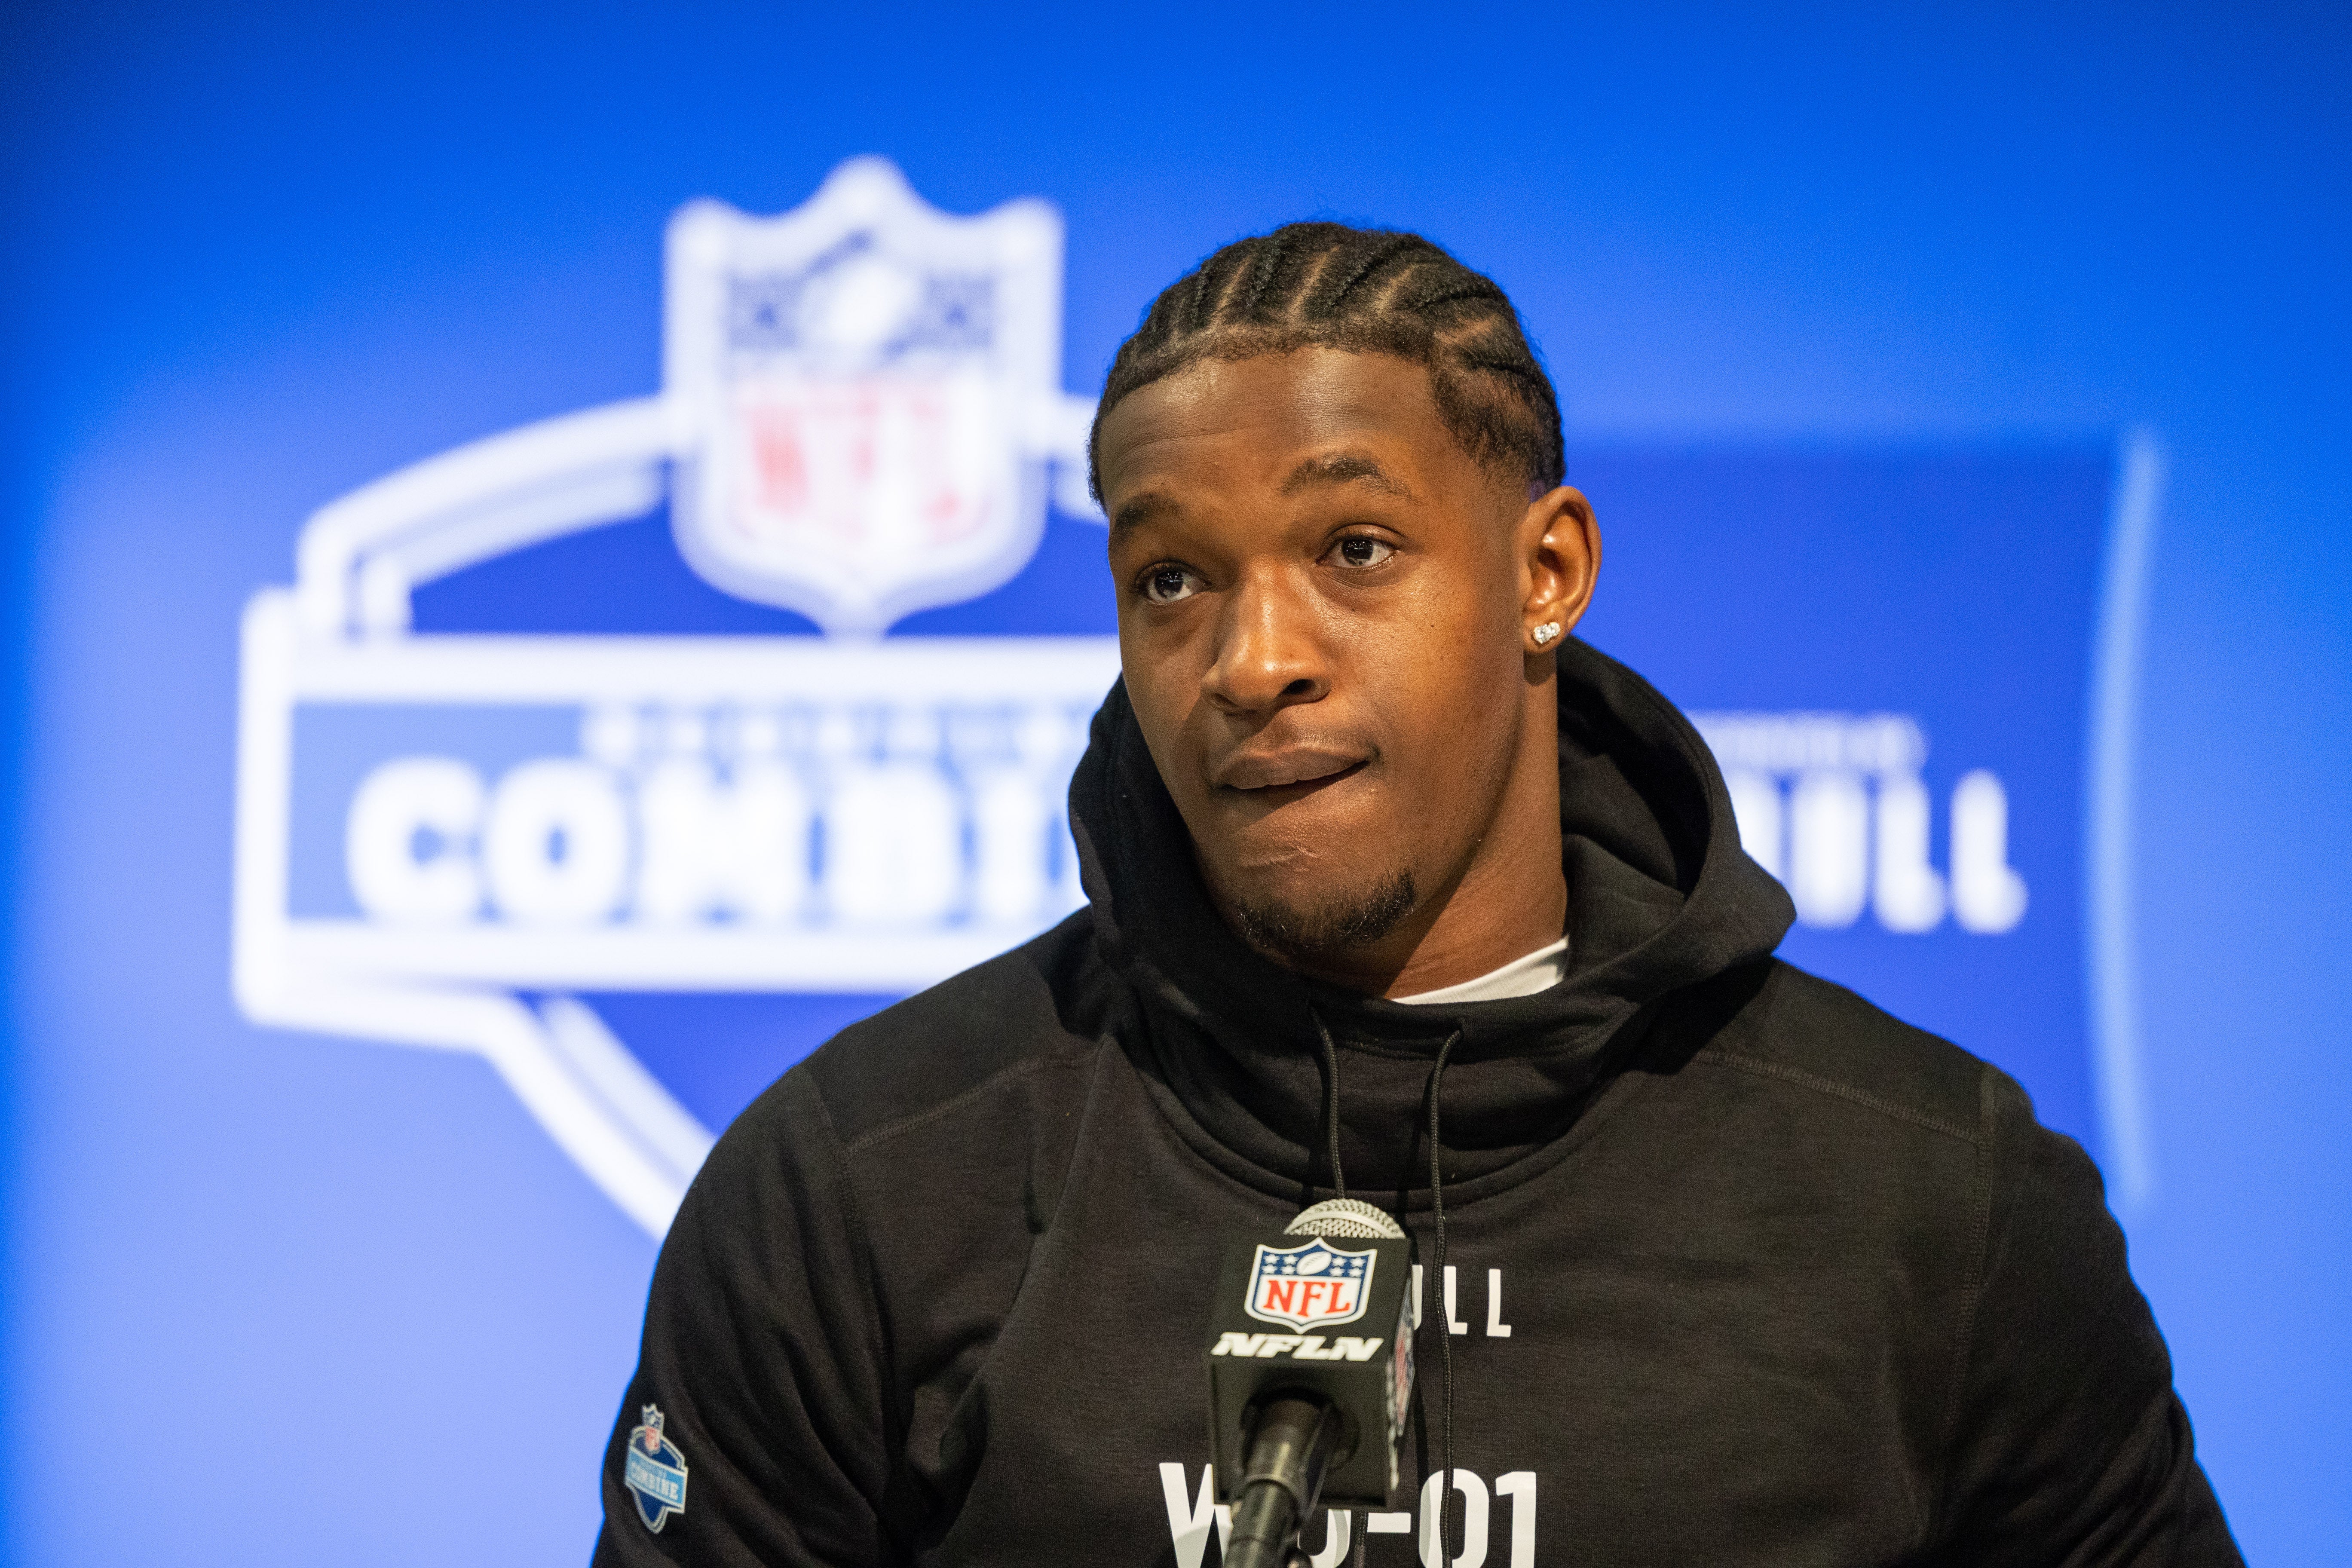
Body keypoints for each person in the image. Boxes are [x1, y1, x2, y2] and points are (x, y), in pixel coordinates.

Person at [595, 224, 2239, 1566]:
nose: (1253, 662)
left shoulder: (1933, 1203)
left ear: (1548, 574)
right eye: (1172, 579)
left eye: (1355, 550)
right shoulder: (862, 1192)